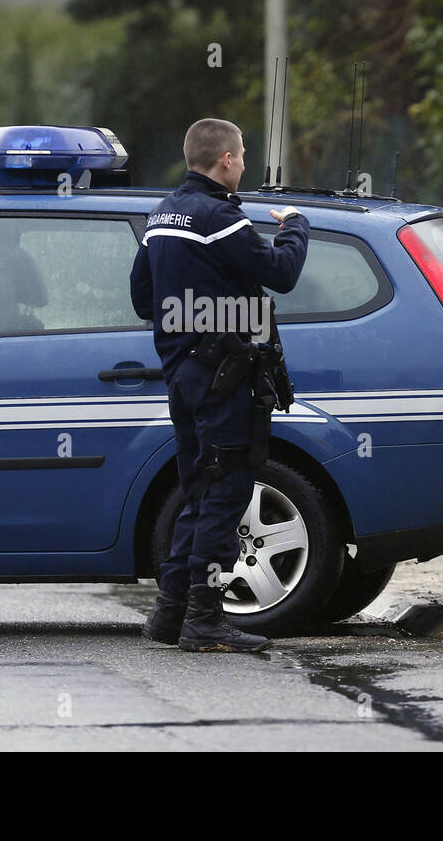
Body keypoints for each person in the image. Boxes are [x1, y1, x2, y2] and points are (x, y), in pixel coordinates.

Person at [129, 118, 308, 652]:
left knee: (199, 490)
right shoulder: (218, 217)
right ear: (226, 160)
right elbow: (281, 271)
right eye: (243, 155)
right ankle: (204, 621)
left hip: (184, 376)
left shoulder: (162, 216)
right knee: (226, 493)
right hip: (224, 379)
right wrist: (295, 224)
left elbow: (143, 299)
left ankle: (170, 613)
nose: (245, 164)